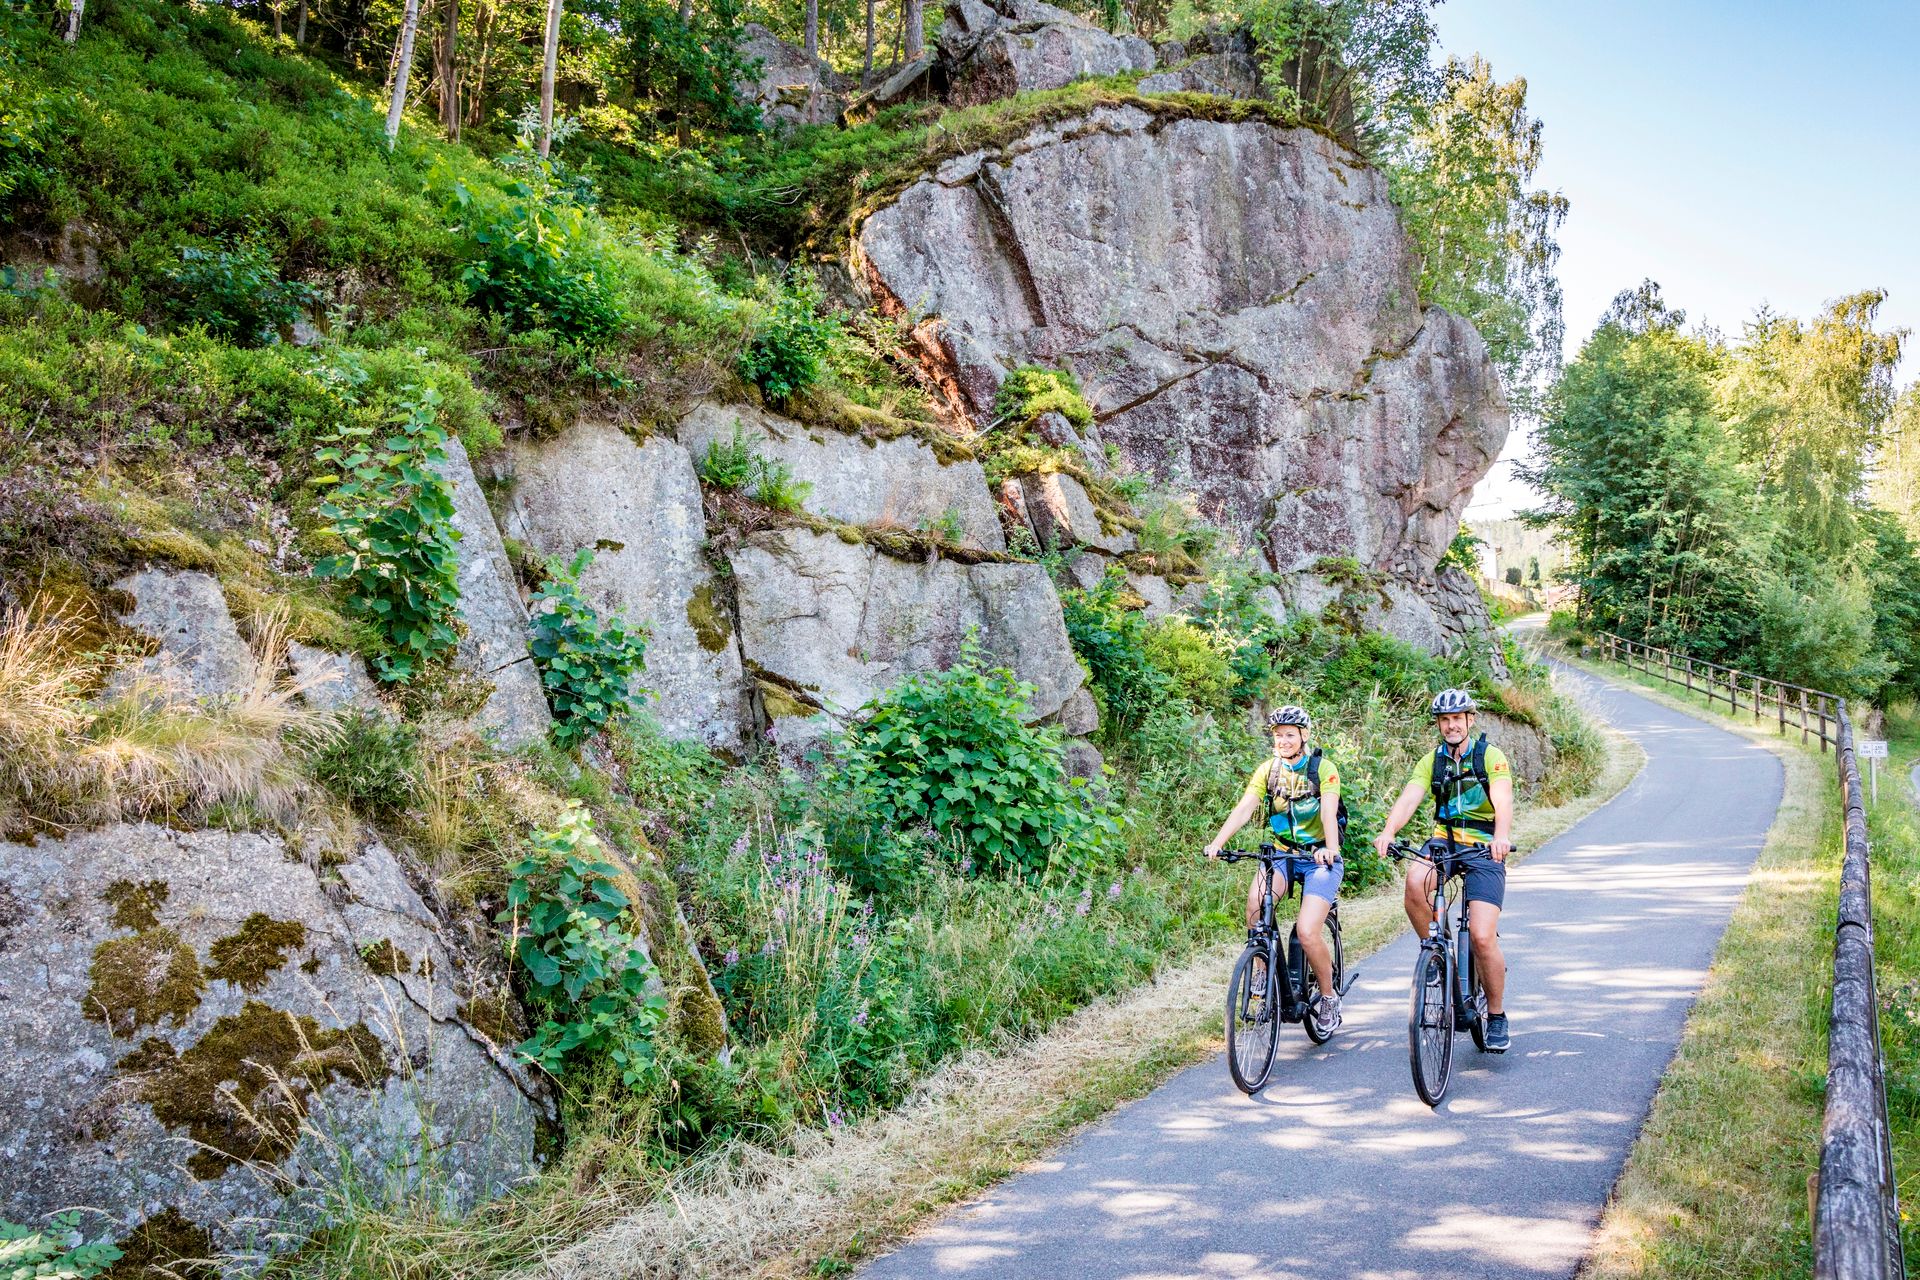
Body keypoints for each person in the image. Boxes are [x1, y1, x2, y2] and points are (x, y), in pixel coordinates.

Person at [1374, 688, 1515, 1052]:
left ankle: (1497, 1016)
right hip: (1446, 842)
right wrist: (1389, 831)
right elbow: (1410, 797)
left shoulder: (1490, 756)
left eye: (1457, 719)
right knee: (1414, 883)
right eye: (1445, 720)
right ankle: (1438, 951)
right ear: (1439, 724)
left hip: (1485, 846)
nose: (1451, 725)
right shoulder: (1433, 761)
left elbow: (1502, 798)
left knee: (1483, 937)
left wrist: (1501, 837)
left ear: (1470, 720)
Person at [1204, 705, 1345, 1036]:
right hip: (1283, 854)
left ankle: (1328, 999)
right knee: (1255, 905)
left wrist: (1331, 849)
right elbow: (1244, 808)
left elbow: (1328, 812)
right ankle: (1261, 968)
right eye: (1278, 735)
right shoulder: (1268, 771)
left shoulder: (1323, 769)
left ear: (1304, 736)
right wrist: (1218, 842)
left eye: (1289, 735)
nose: (1283, 740)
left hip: (1318, 858)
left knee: (1309, 931)